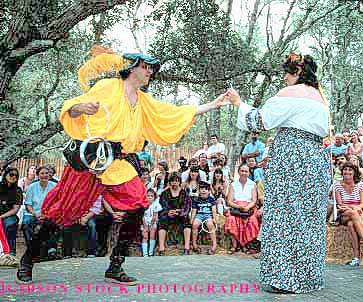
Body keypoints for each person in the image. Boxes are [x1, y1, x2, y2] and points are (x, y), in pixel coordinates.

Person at [16, 45, 228, 284]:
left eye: (151, 68)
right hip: (93, 161)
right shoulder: (107, 87)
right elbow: (72, 108)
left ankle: (116, 265)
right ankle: (28, 259)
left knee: (138, 203)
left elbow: (174, 113)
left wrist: (212, 105)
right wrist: (80, 108)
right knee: (63, 212)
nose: (150, 71)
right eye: (146, 67)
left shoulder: (144, 101)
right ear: (131, 67)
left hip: (121, 163)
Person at [225, 53, 331, 293]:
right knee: (308, 219)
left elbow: (259, 122)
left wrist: (238, 103)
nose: (284, 78)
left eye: (286, 72)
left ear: (296, 72)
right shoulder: (320, 98)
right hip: (316, 160)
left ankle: (286, 279)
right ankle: (308, 278)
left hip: (293, 160)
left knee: (285, 215)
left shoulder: (290, 94)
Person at [334, 162, 363, 267]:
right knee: (353, 213)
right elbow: (340, 205)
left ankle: (356, 258)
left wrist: (353, 207)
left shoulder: (361, 185)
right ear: (342, 171)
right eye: (345, 169)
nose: (347, 172)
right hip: (344, 214)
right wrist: (354, 207)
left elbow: (362, 204)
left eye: (350, 170)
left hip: (358, 211)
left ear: (354, 172)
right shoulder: (337, 185)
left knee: (351, 225)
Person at [0, 167, 23, 256]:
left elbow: (15, 209)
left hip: (8, 215)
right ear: (5, 175)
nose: (13, 177)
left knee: (9, 223)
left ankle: (10, 252)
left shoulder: (17, 190)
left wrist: (1, 217)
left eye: (16, 175)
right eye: (11, 174)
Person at [224, 163, 259, 253]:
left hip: (249, 208)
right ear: (238, 172)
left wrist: (247, 207)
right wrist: (239, 206)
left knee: (252, 220)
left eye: (246, 171)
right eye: (242, 171)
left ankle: (245, 245)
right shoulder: (233, 184)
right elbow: (229, 201)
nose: (244, 173)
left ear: (249, 173)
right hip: (236, 208)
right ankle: (235, 245)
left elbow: (254, 200)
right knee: (231, 219)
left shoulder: (252, 184)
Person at [191, 181, 218, 255]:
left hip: (208, 215)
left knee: (210, 225)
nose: (203, 190)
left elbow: (214, 210)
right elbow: (194, 210)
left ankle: (214, 245)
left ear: (209, 191)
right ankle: (194, 244)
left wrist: (214, 218)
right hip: (199, 215)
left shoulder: (211, 199)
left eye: (206, 189)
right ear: (199, 191)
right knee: (195, 225)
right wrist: (192, 219)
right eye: (202, 189)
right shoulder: (196, 199)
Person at [141, 189, 161, 257]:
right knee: (145, 237)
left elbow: (155, 216)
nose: (149, 197)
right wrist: (145, 226)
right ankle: (145, 254)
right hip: (145, 223)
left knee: (152, 236)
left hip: (153, 222)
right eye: (148, 196)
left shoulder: (155, 205)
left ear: (154, 197)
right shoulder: (143, 205)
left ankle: (151, 252)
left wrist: (151, 225)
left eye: (151, 196)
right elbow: (142, 217)